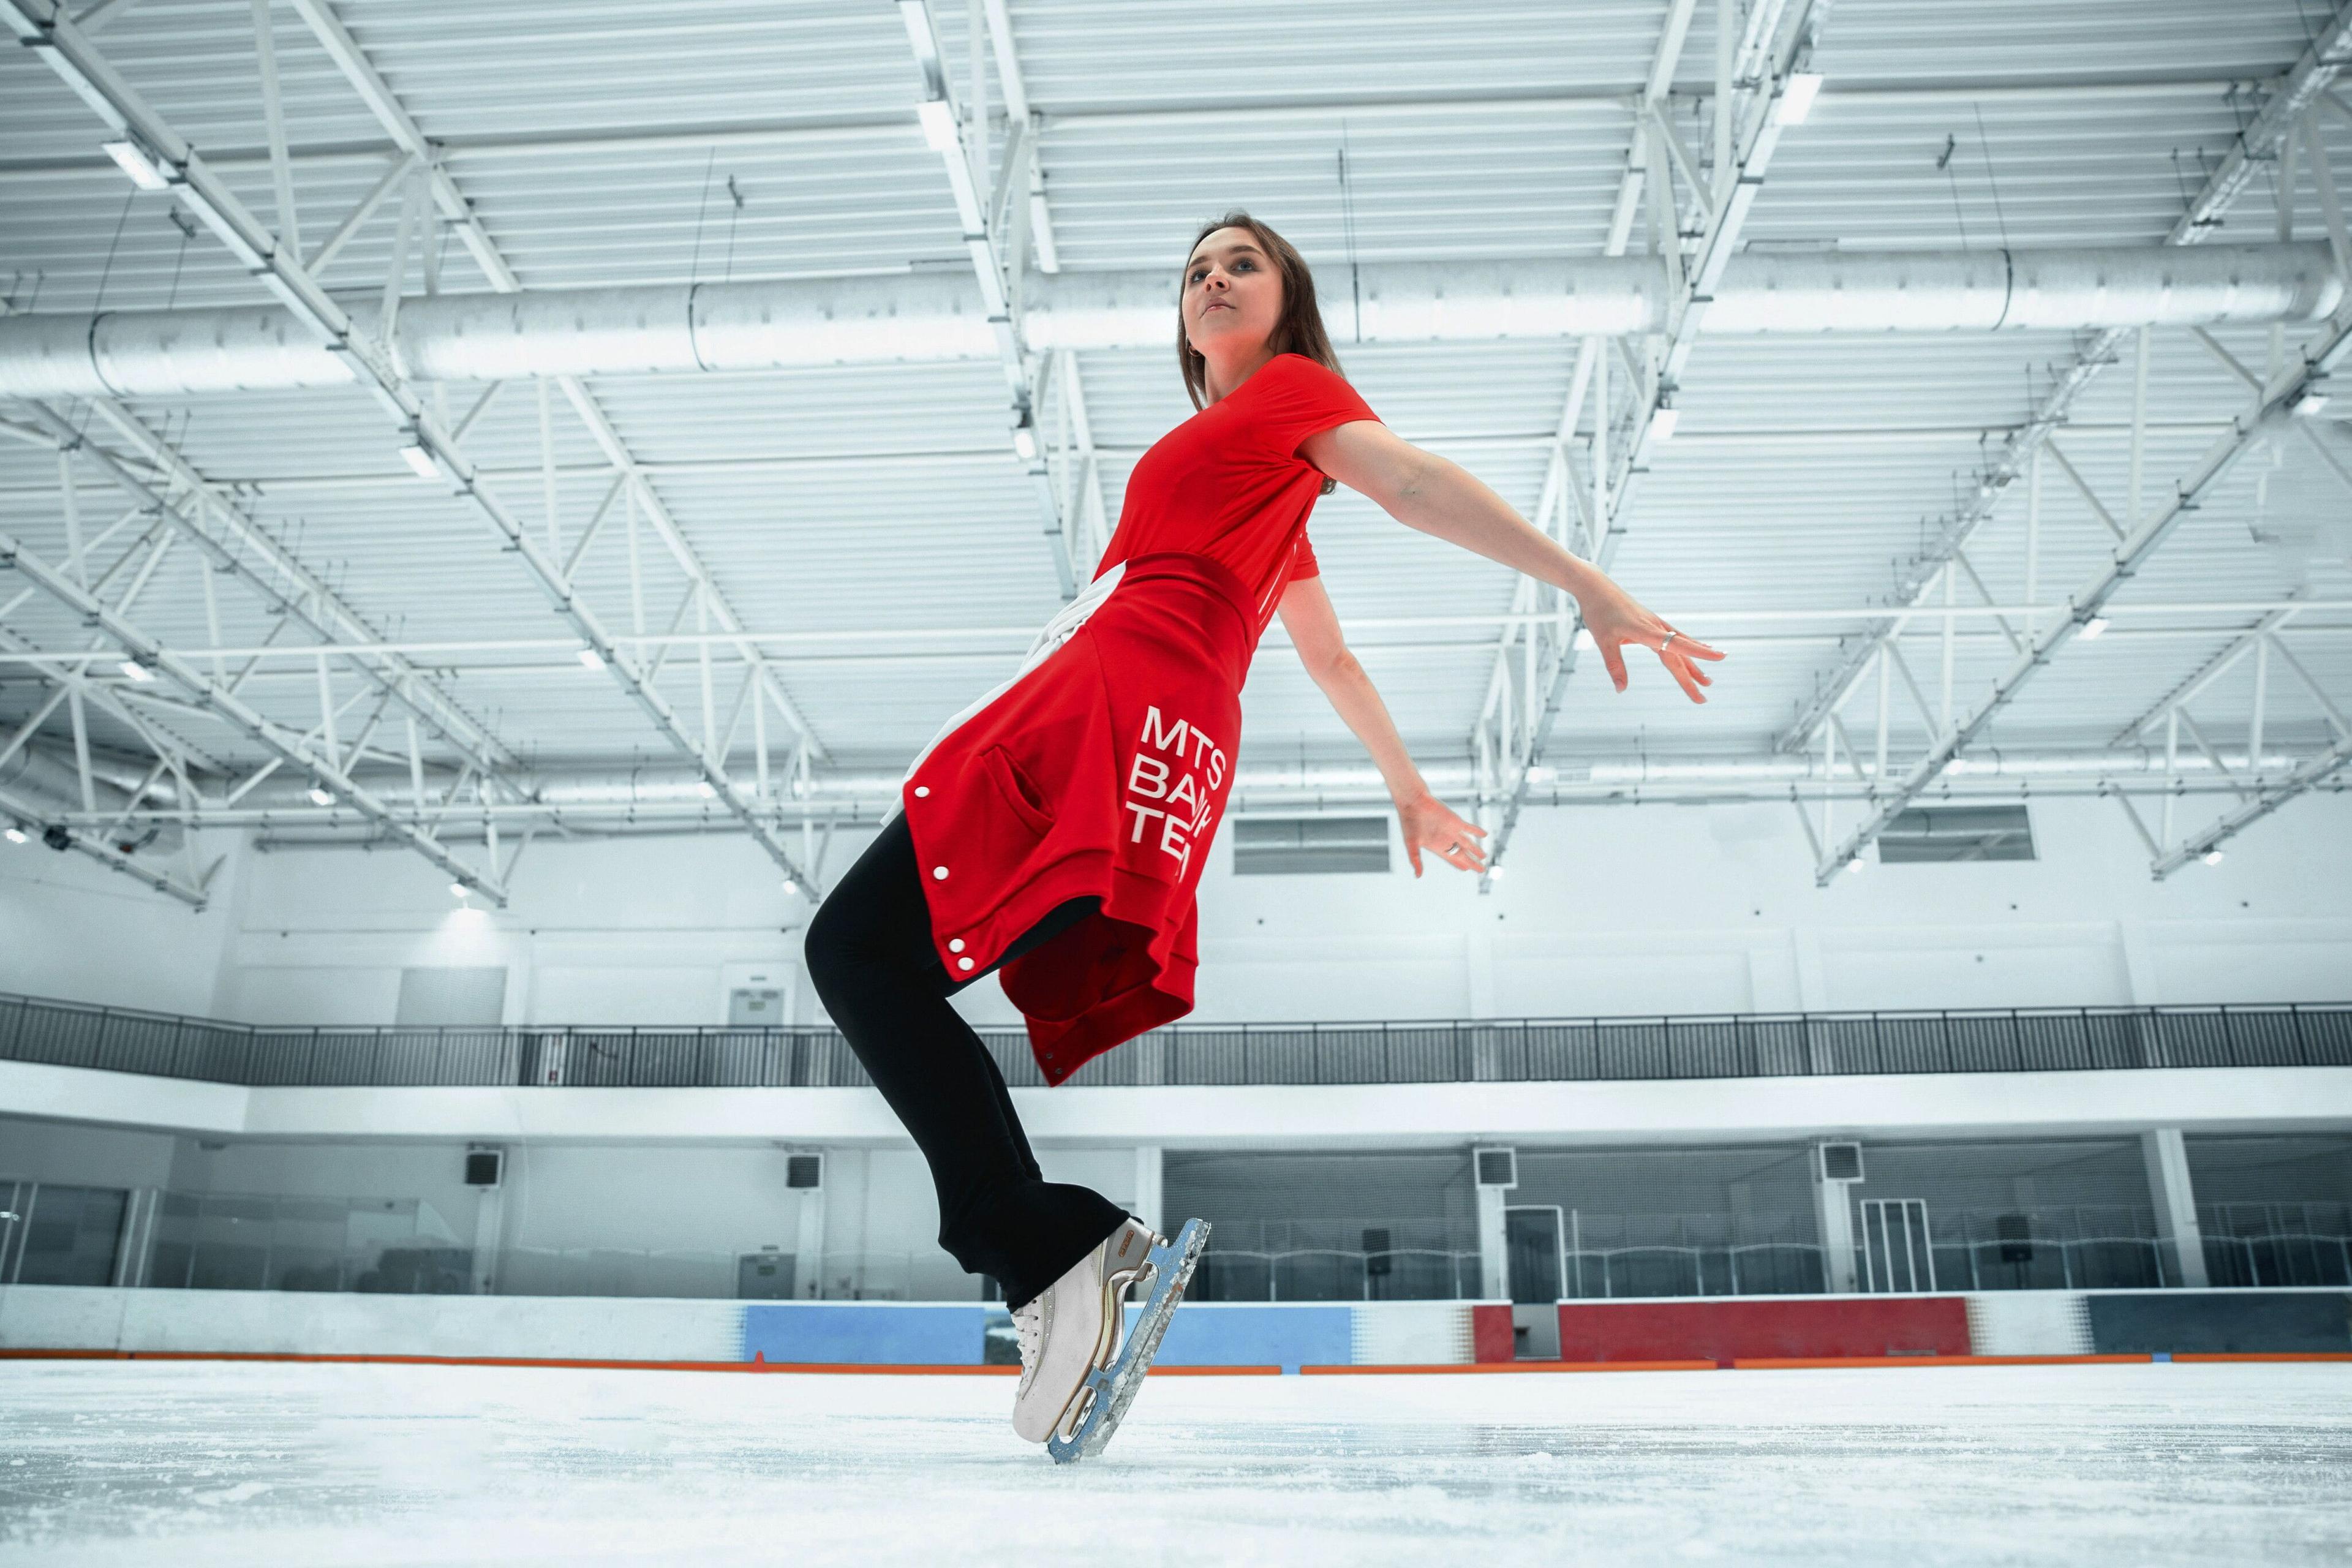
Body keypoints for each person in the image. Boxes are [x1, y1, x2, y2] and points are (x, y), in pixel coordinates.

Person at [803, 210, 1723, 1458]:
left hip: (1115, 695)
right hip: (1162, 718)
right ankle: (1045, 1261)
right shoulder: (1254, 478)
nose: (1214, 279)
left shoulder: (1291, 394)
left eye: (1243, 263)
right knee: (881, 962)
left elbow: (1409, 481)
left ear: (1290, 301)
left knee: (855, 949)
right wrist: (1408, 787)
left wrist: (1589, 585)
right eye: (1196, 270)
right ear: (1184, 321)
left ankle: (1047, 1249)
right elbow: (1330, 658)